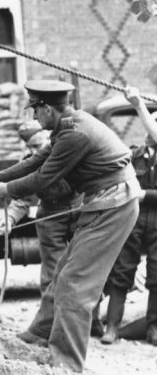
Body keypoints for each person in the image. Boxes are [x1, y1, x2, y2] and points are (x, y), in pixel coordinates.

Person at [0, 80, 141, 372]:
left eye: (34, 111)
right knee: (62, 273)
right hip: (104, 203)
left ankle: (67, 365)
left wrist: (7, 189)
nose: (33, 118)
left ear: (46, 108)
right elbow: (38, 160)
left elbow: (42, 178)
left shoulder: (75, 133)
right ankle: (40, 333)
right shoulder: (68, 125)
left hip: (114, 205)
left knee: (75, 286)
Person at [0, 121, 82, 294]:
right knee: (52, 274)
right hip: (50, 215)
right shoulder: (28, 163)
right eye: (30, 147)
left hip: (79, 212)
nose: (35, 152)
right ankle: (52, 317)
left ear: (48, 137)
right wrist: (9, 218)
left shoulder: (68, 151)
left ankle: (92, 319)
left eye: (37, 146)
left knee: (83, 269)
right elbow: (21, 199)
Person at [100, 86, 157, 346]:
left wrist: (144, 195)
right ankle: (111, 328)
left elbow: (138, 191)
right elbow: (120, 180)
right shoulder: (133, 155)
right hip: (132, 220)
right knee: (122, 272)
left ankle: (153, 329)